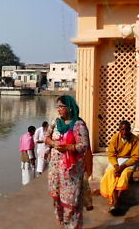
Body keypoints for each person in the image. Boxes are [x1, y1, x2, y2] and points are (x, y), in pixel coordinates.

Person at [45, 95, 90, 229]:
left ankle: (73, 226)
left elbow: (84, 145)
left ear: (69, 108)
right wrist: (53, 143)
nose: (58, 109)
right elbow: (46, 137)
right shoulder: (55, 122)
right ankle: (62, 224)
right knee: (57, 198)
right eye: (57, 106)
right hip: (55, 169)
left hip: (71, 172)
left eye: (61, 107)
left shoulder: (78, 125)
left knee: (72, 202)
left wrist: (67, 147)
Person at [100, 120, 139, 211]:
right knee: (110, 173)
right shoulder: (115, 138)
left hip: (128, 162)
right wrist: (116, 166)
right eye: (122, 129)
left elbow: (135, 157)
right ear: (119, 130)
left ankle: (115, 202)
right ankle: (116, 201)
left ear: (129, 130)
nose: (124, 132)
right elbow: (111, 154)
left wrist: (123, 167)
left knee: (125, 174)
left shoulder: (135, 140)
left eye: (126, 129)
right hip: (116, 161)